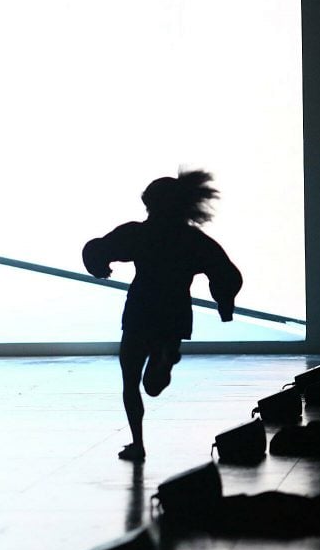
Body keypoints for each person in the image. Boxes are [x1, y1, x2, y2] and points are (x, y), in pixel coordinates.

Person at [82, 170, 242, 462]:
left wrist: (100, 267)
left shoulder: (138, 233)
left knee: (131, 381)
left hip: (141, 308)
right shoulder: (194, 240)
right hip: (175, 312)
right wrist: (224, 303)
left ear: (150, 204)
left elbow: (98, 250)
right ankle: (165, 355)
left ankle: (138, 444)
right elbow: (224, 271)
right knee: (153, 386)